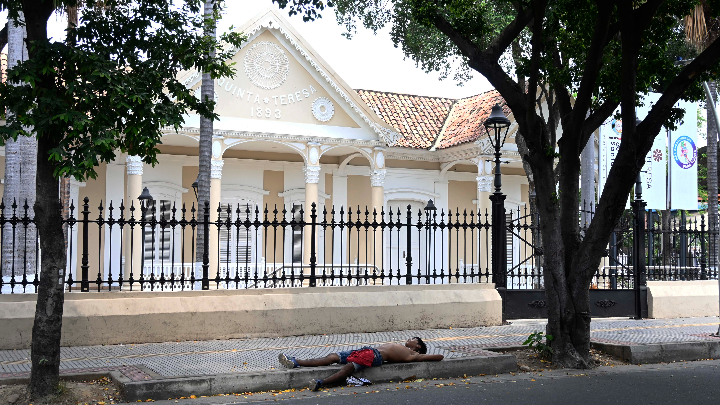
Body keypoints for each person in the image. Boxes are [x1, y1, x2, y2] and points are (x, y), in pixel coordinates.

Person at [278, 337, 444, 391]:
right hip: (368, 350)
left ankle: (321, 383)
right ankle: (296, 362)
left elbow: (439, 357)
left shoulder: (413, 355)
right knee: (334, 356)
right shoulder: (406, 349)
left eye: (413, 340)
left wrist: (422, 355)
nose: (409, 339)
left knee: (348, 368)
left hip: (374, 356)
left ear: (418, 346)